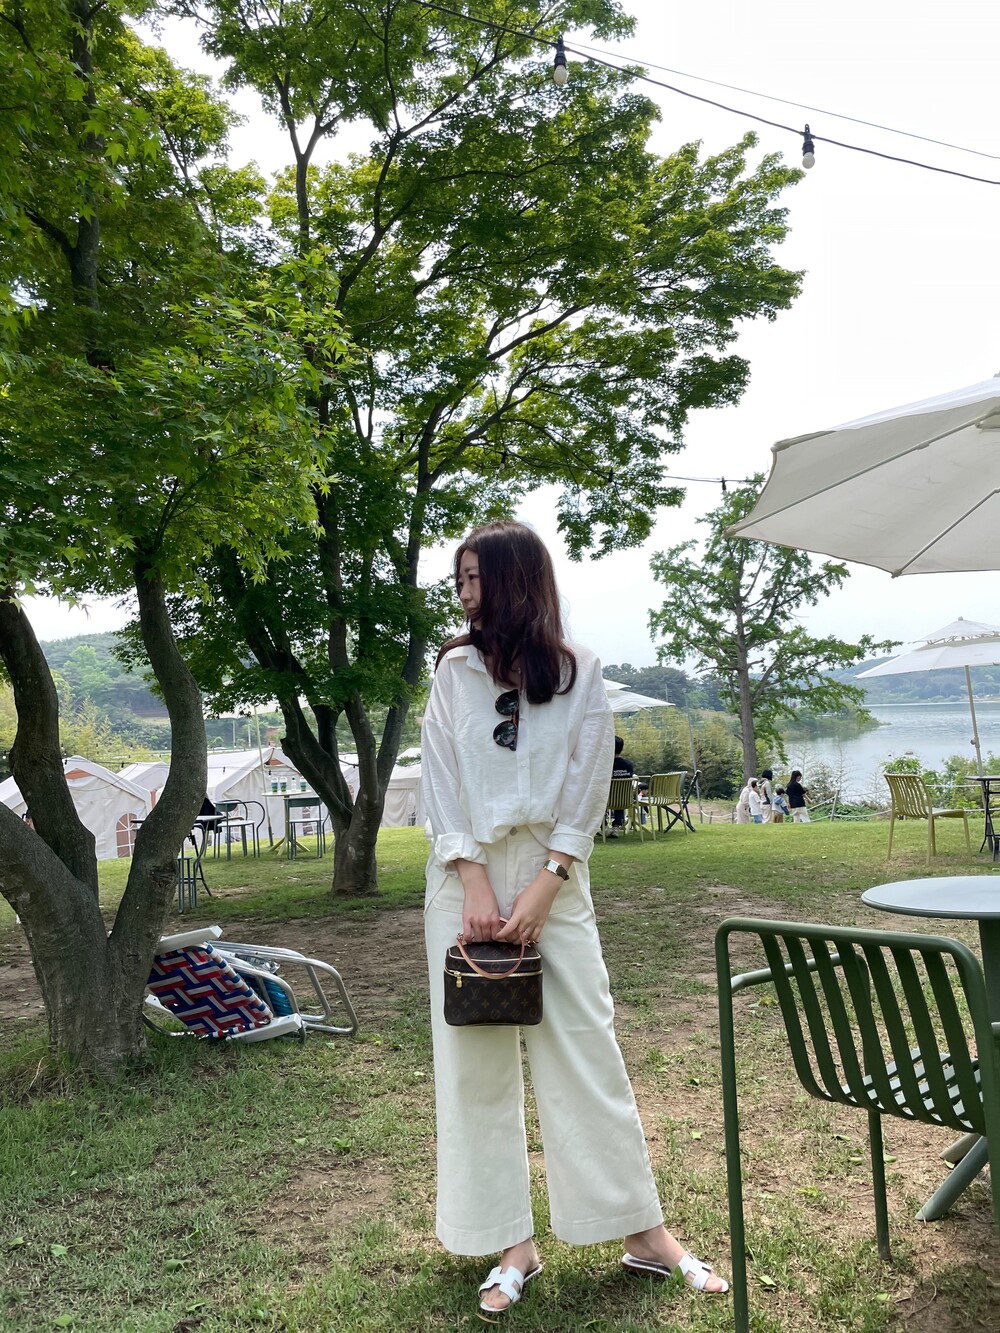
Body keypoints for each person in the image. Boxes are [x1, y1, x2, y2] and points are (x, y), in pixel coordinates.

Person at [421, 520, 729, 1315]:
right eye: (459, 579)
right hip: (464, 877)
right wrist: (475, 880)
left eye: (475, 577)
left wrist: (546, 883)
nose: (463, 593)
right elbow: (440, 779)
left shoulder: (580, 671)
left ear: (515, 580)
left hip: (555, 876)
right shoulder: (452, 670)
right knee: (475, 1064)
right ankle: (510, 1242)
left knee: (587, 1046)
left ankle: (643, 1233)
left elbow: (589, 784)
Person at [607, 735, 635, 837]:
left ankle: (604, 826)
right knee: (619, 796)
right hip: (624, 799)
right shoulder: (629, 765)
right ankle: (616, 827)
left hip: (607, 799)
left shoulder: (606, 765)